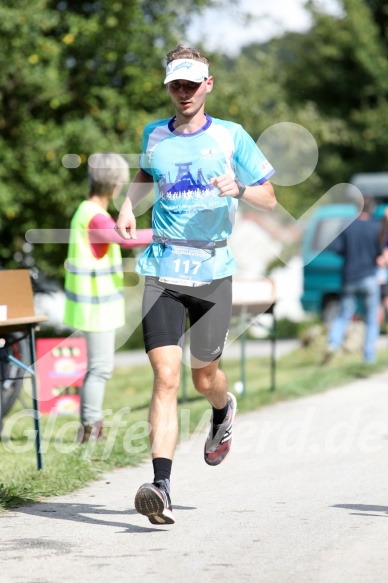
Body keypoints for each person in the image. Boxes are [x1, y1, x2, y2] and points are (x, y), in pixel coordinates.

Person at [115, 45, 276, 525]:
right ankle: (161, 487)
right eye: (175, 84)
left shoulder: (232, 137)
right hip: (162, 267)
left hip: (211, 273)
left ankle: (223, 410)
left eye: (191, 84)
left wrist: (241, 190)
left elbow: (270, 197)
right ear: (168, 86)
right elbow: (147, 172)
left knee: (203, 376)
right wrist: (128, 205)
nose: (183, 93)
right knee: (166, 376)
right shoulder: (155, 134)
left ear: (208, 84)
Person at [63, 153, 153, 442]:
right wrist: (166, 232)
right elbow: (122, 236)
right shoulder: (95, 217)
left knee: (99, 367)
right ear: (115, 185)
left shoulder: (85, 211)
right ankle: (90, 429)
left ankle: (90, 426)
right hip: (95, 307)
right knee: (100, 368)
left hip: (93, 305)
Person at [323, 196, 383, 364]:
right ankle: (369, 356)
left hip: (349, 277)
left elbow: (336, 249)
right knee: (371, 317)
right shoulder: (376, 228)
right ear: (372, 210)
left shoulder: (347, 227)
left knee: (343, 315)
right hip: (369, 277)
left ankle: (332, 346)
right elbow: (380, 254)